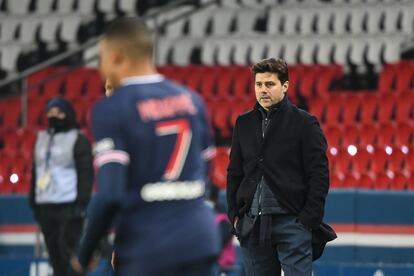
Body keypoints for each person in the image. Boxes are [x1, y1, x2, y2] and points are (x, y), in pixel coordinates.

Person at [71, 17, 219, 276]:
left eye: (101, 59)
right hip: (200, 240)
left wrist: (83, 255)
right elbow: (206, 173)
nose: (99, 68)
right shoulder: (192, 100)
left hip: (148, 247)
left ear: (115, 56)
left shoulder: (111, 109)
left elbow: (110, 195)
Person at [226, 58, 335, 276]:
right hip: (252, 223)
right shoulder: (243, 123)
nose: (263, 90)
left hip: (292, 221)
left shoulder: (305, 123)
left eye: (270, 84)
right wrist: (235, 215)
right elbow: (235, 171)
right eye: (258, 84)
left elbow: (319, 174)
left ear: (285, 86)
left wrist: (308, 220)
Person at [29, 97, 93, 276]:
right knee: (55, 257)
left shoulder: (77, 139)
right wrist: (33, 201)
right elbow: (36, 171)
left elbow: (85, 174)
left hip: (68, 206)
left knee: (70, 257)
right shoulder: (41, 138)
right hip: (45, 206)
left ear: (68, 114)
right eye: (50, 112)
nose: (53, 116)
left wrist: (81, 204)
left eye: (58, 112)